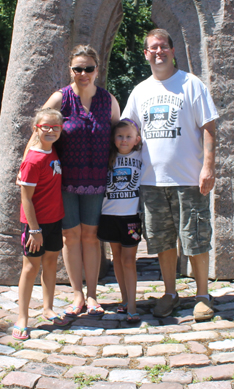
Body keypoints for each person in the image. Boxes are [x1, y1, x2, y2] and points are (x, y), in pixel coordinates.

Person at [122, 29, 219, 322]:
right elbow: (128, 129)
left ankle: (202, 295)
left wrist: (209, 166)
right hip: (152, 182)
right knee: (162, 241)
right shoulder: (140, 91)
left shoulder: (191, 85)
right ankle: (170, 292)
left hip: (189, 179)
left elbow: (209, 127)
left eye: (163, 47)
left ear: (173, 51)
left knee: (195, 238)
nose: (158, 52)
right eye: (153, 48)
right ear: (146, 54)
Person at [41, 45, 120, 316]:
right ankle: (77, 295)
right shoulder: (60, 99)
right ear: (70, 70)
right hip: (64, 182)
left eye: (88, 68)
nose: (83, 73)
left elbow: (117, 137)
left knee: (91, 236)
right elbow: (40, 130)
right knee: (70, 237)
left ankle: (93, 295)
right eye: (78, 69)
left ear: (97, 70)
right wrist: (29, 165)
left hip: (97, 179)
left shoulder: (108, 100)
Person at [13, 108, 67, 340]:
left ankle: (47, 308)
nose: (51, 130)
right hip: (36, 225)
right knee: (30, 268)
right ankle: (22, 317)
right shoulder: (33, 160)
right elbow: (25, 198)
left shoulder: (52, 150)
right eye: (46, 126)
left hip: (55, 220)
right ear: (36, 128)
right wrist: (34, 230)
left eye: (56, 127)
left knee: (51, 264)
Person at [97, 120, 143, 324]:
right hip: (108, 215)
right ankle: (124, 298)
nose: (124, 140)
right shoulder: (108, 158)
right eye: (119, 136)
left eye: (128, 136)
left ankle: (132, 305)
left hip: (130, 217)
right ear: (113, 139)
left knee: (128, 260)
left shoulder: (141, 157)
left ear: (137, 140)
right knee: (116, 257)